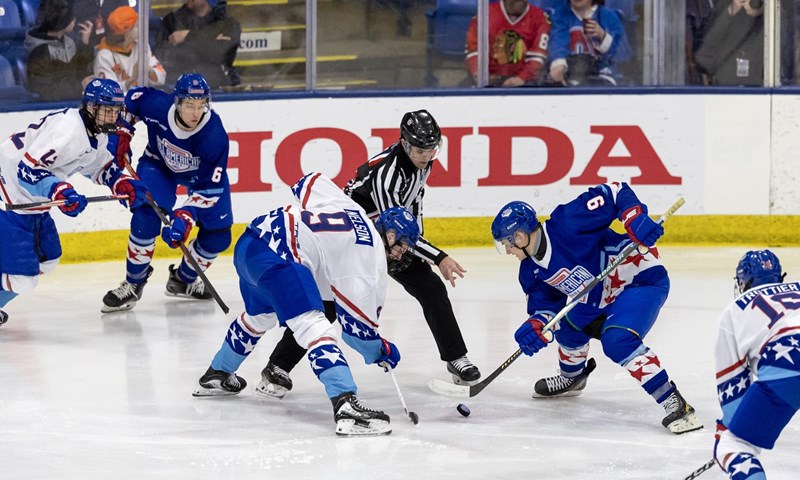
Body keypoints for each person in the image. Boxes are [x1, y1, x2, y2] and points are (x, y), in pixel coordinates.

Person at [257, 109, 481, 400]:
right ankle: (277, 366)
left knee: (431, 288)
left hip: (387, 234)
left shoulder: (423, 162)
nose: (426, 155)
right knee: (332, 303)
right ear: (403, 143)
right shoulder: (388, 174)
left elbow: (412, 209)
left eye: (431, 149)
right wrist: (438, 256)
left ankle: (456, 357)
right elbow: (394, 224)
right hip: (355, 237)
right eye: (419, 149)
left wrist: (422, 246)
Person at [194, 172, 420, 437]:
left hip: (251, 243)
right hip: (281, 258)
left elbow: (309, 181)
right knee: (315, 326)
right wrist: (381, 351)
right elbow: (358, 334)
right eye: (402, 246)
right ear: (390, 233)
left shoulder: (352, 207)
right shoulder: (370, 263)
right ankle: (346, 405)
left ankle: (217, 374)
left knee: (260, 316)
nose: (401, 254)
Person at [490, 181, 702, 434]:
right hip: (598, 298)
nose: (507, 250)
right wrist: (536, 326)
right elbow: (547, 309)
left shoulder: (567, 222)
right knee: (567, 330)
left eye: (507, 243)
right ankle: (573, 378)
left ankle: (675, 403)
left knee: (618, 340)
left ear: (520, 236)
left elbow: (615, 192)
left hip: (639, 279)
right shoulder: (530, 272)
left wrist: (634, 218)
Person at [0, 79, 148, 326]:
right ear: (91, 107)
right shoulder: (68, 130)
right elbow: (28, 170)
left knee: (47, 261)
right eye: (106, 110)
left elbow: (99, 165)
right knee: (22, 278)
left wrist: (121, 183)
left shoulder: (95, 133)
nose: (112, 116)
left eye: (115, 110)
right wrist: (59, 190)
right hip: (8, 194)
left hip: (32, 200)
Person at [101, 73, 232, 313]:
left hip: (201, 180)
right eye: (190, 105)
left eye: (201, 105)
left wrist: (185, 215)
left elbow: (209, 189)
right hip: (158, 166)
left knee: (219, 237)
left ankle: (183, 280)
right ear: (177, 102)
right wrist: (121, 134)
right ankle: (133, 284)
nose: (196, 112)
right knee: (146, 218)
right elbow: (131, 102)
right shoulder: (157, 105)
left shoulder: (214, 135)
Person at [713, 250, 800, 479]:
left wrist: (731, 432)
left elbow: (733, 398)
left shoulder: (734, 310)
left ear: (743, 281)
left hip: (789, 360)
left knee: (733, 446)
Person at [155, 0, 242, 89]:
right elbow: (164, 58)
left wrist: (187, 36)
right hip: (181, 88)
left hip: (217, 88)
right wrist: (210, 41)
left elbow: (220, 53)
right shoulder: (171, 21)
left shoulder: (228, 24)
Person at [464, 0, 551, 87]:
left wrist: (522, 78)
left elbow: (537, 56)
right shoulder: (485, 14)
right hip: (489, 78)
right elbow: (473, 51)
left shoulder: (540, 17)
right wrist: (480, 75)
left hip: (524, 81)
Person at [547, 0, 630, 86]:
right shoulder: (559, 14)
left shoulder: (609, 17)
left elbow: (623, 54)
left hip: (602, 75)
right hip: (569, 74)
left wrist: (603, 36)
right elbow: (557, 41)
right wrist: (559, 64)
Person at [24, 0, 95, 101]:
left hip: (72, 103)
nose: (74, 20)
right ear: (63, 22)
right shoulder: (39, 53)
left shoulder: (70, 42)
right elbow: (46, 90)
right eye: (71, 17)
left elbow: (78, 69)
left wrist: (85, 43)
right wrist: (79, 87)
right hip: (52, 109)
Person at [93, 6, 167, 92]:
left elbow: (162, 78)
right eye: (136, 26)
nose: (140, 29)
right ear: (126, 33)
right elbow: (107, 91)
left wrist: (149, 70)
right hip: (119, 104)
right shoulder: (104, 55)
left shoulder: (142, 46)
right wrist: (132, 79)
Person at [694, 0, 764, 86]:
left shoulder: (773, 14)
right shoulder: (725, 6)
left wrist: (767, 10)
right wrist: (730, 12)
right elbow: (703, 57)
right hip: (726, 89)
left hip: (761, 91)